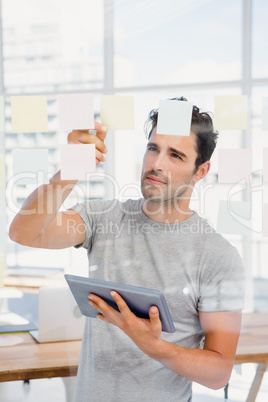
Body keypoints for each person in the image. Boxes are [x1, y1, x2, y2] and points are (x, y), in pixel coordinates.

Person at [9, 97, 244, 402]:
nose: (156, 164)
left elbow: (219, 373)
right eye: (153, 148)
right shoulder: (104, 218)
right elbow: (23, 232)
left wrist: (155, 346)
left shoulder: (218, 257)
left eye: (175, 155)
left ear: (200, 171)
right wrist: (69, 170)